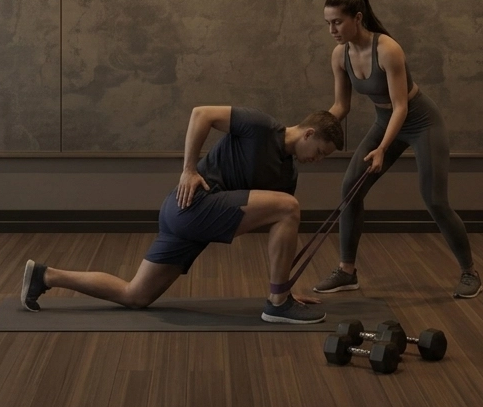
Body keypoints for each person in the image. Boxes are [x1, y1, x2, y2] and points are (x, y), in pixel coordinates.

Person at [20, 105, 344, 323]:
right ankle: (277, 305)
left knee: (136, 295)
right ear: (308, 134)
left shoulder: (287, 176)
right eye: (319, 152)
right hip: (193, 204)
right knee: (289, 206)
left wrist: (285, 286)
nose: (317, 160)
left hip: (190, 219)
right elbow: (201, 113)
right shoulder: (261, 126)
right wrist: (189, 169)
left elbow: (278, 235)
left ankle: (46, 276)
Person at [310, 0, 481, 299]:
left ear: (357, 18)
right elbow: (341, 107)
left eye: (337, 22)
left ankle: (470, 272)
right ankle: (346, 271)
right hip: (384, 121)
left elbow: (401, 106)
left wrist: (382, 149)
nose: (331, 29)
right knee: (350, 189)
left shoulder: (388, 49)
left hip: (421, 122)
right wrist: (308, 131)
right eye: (328, 23)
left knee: (434, 200)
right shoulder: (340, 55)